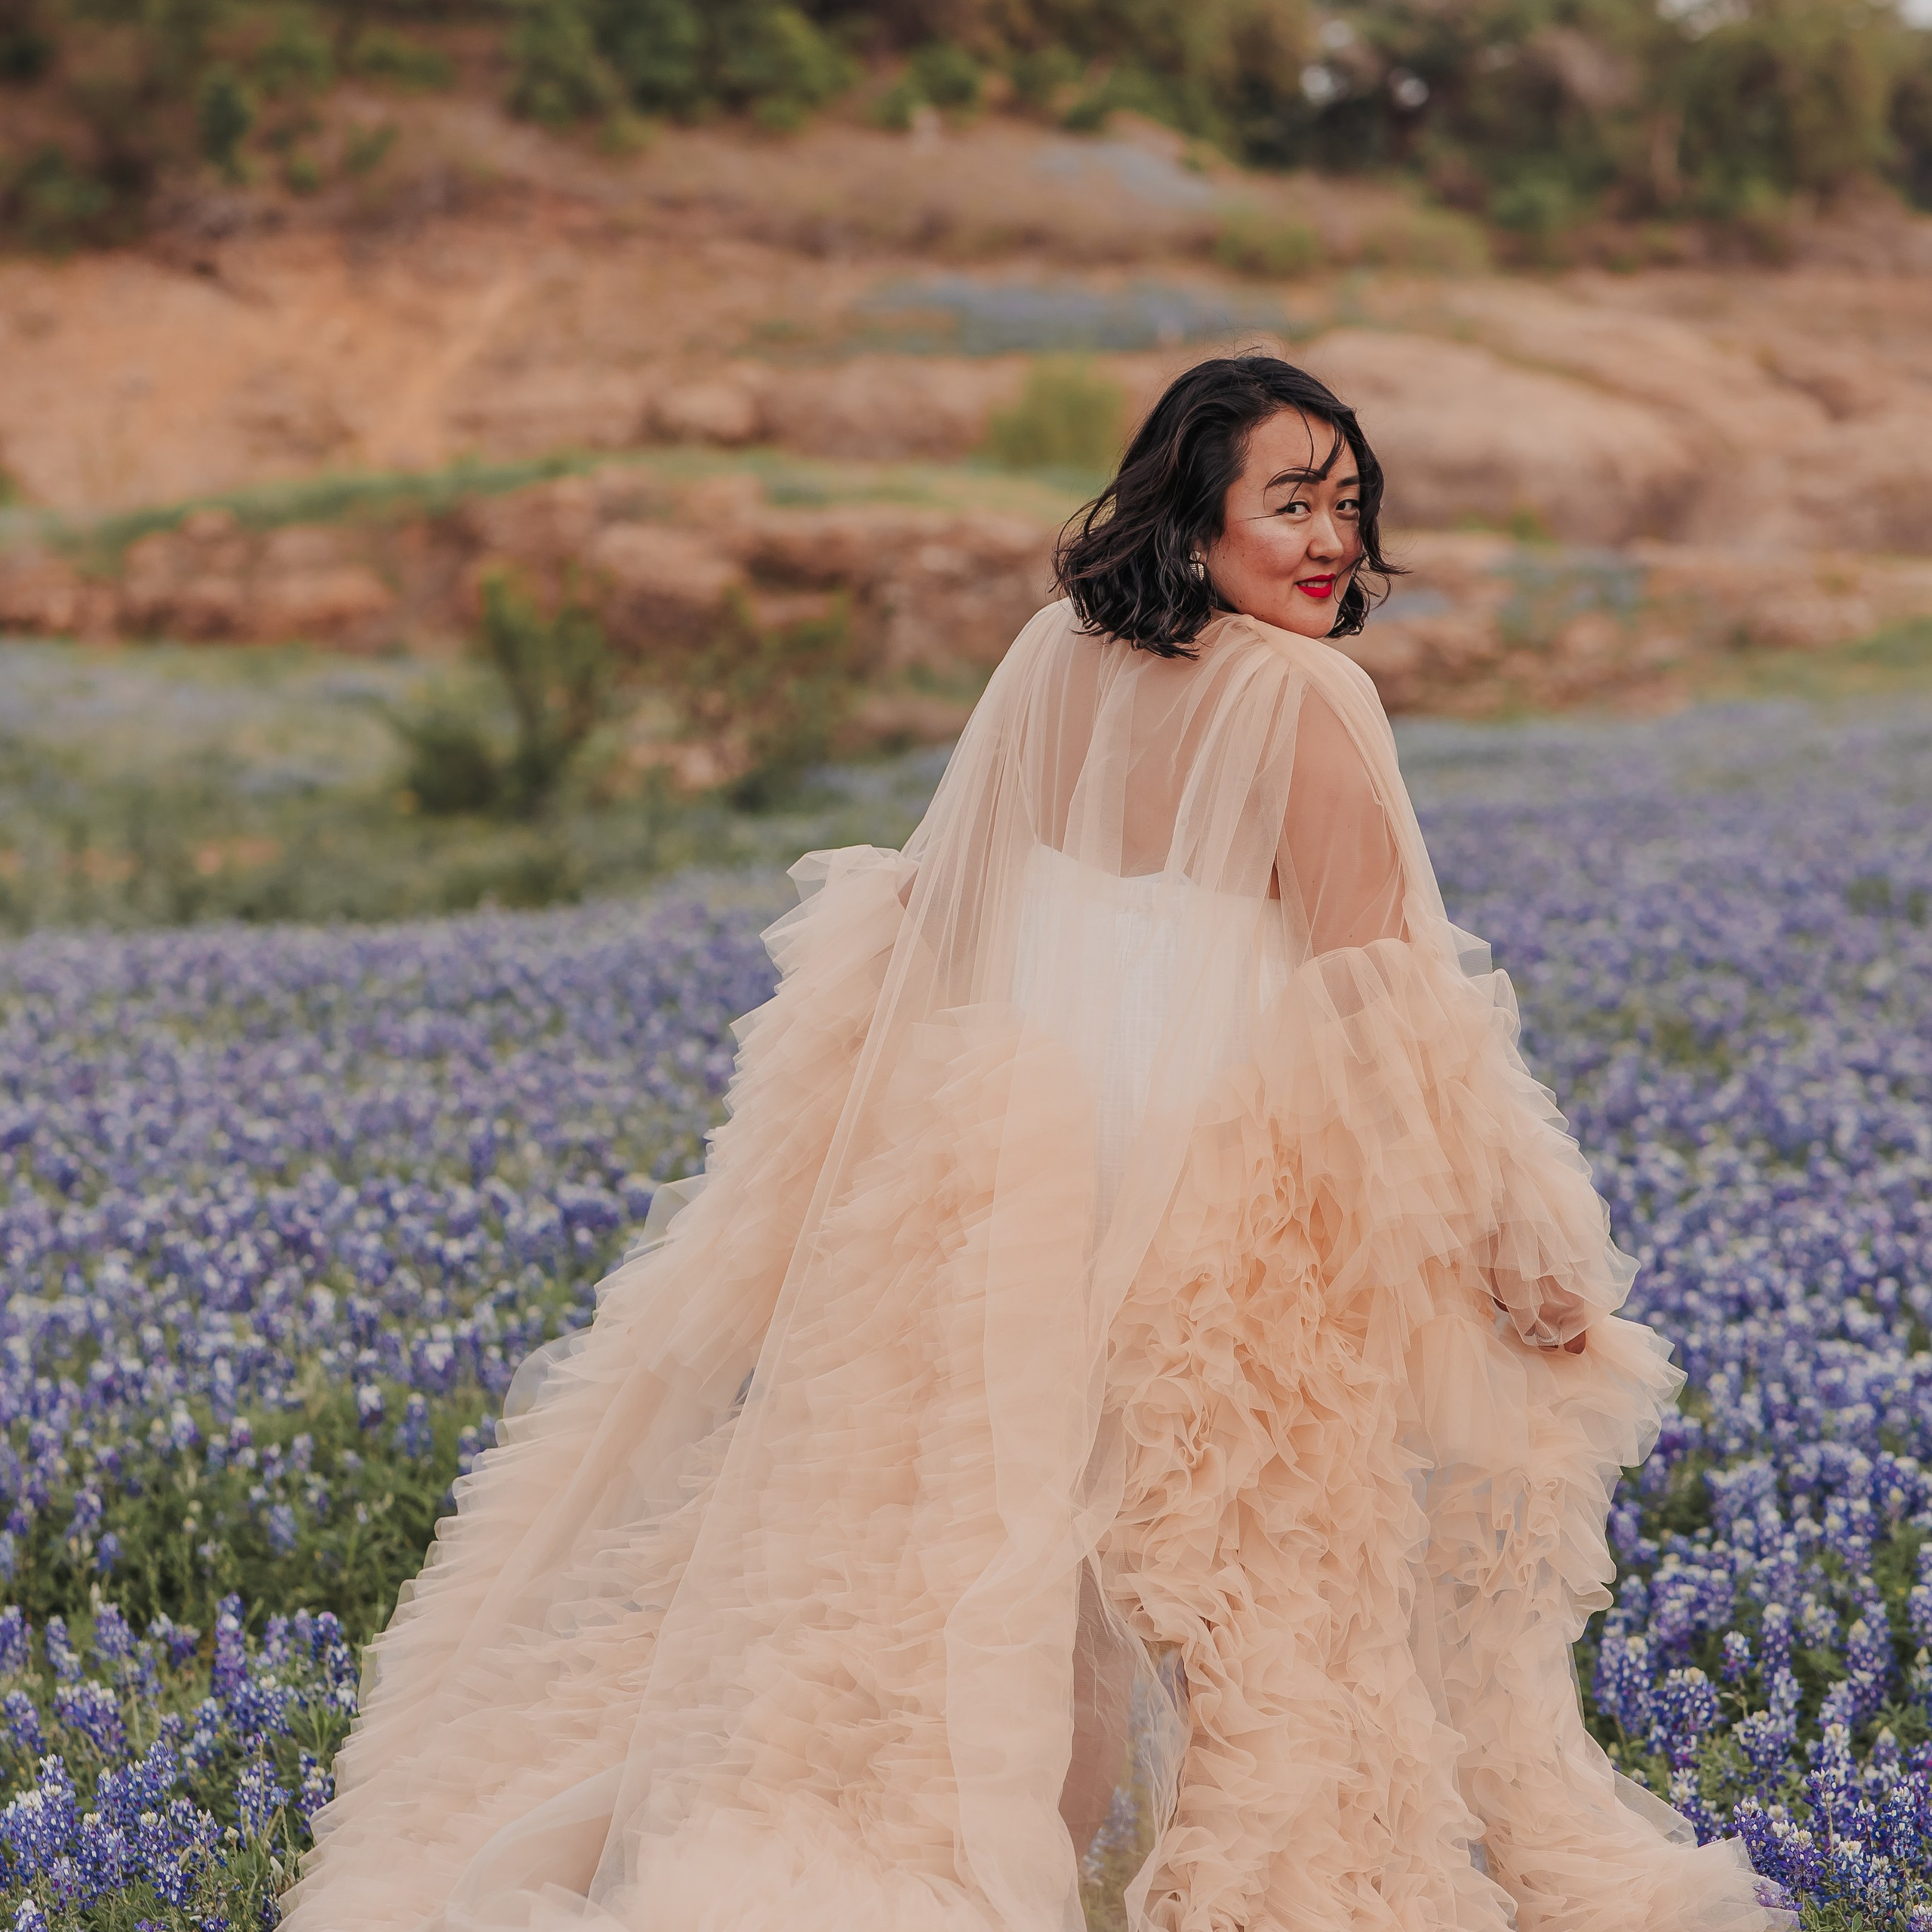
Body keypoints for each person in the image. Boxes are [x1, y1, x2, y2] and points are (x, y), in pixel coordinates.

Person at [282, 355, 1791, 1932]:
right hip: (1226, 1228)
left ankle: (961, 1884)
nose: (1328, 537)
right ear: (1190, 501)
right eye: (1288, 500)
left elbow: (933, 935)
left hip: (1005, 1201)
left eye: (1348, 504)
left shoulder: (1052, 657)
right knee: (1252, 1613)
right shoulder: (1302, 693)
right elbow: (1378, 1007)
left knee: (998, 1610)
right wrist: (1501, 1229)